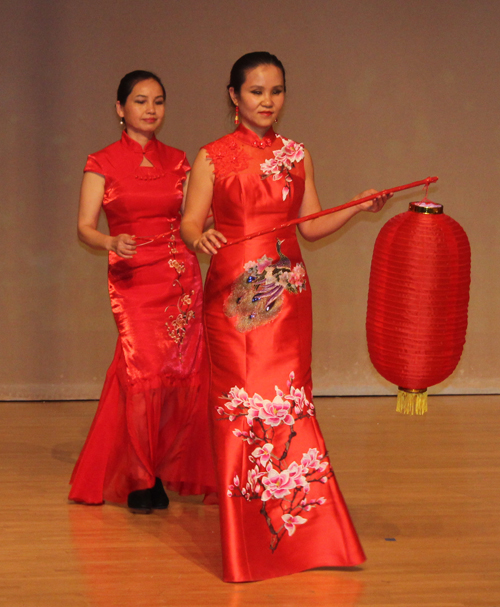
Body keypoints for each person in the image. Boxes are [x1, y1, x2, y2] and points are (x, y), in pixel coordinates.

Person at [181, 52, 389, 582]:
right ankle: (246, 543)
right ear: (234, 96)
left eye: (276, 91)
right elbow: (189, 221)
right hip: (234, 298)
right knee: (242, 408)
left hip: (285, 292)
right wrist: (197, 235)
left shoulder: (297, 155)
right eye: (255, 91)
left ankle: (307, 536)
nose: (267, 101)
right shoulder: (212, 156)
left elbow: (310, 227)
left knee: (289, 407)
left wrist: (356, 205)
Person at [69, 70, 216, 514]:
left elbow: (195, 221)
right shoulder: (102, 161)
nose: (150, 109)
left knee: (180, 376)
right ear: (120, 109)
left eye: (158, 101)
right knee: (140, 374)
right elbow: (84, 227)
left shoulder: (179, 160)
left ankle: (160, 470)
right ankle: (138, 475)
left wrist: (225, 220)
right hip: (133, 279)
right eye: (140, 101)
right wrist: (111, 243)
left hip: (180, 278)